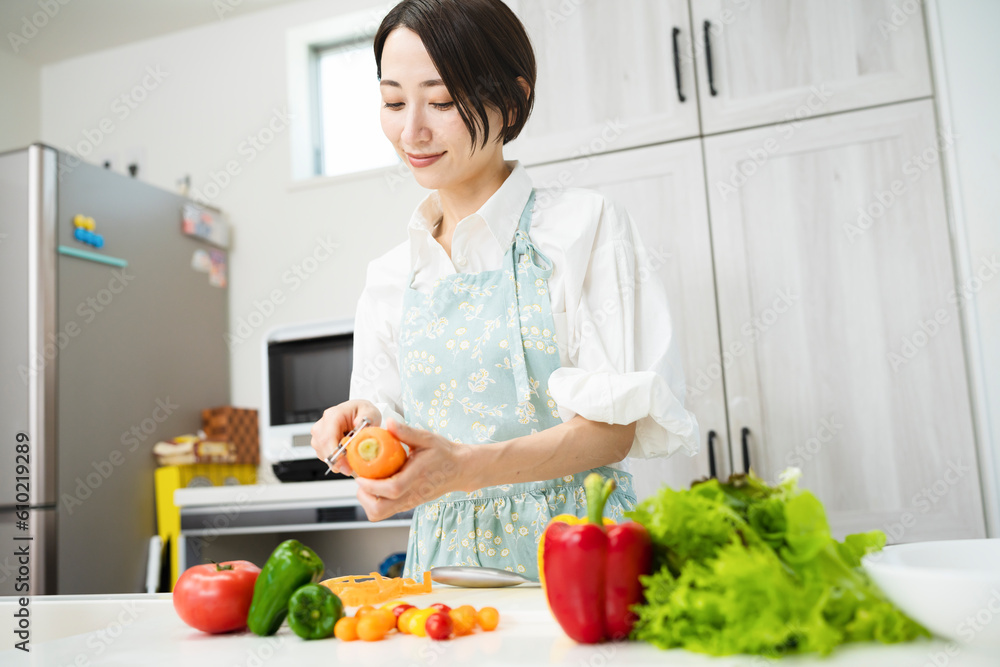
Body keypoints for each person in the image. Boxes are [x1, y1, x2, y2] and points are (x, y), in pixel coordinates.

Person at [310, 0, 699, 581]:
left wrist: (464, 467)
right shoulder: (392, 276)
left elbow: (611, 433)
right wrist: (362, 425)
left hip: (582, 555)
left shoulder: (583, 229)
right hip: (442, 576)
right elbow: (388, 422)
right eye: (393, 102)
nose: (410, 130)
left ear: (512, 99)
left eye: (440, 101)